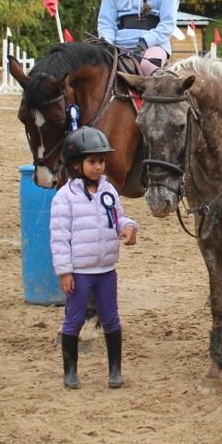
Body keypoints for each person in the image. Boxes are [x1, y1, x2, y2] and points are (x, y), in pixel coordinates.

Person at [50, 126, 139, 389]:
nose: (99, 167)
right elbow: (59, 237)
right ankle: (70, 371)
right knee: (74, 319)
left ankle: (115, 370)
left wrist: (129, 226)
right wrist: (65, 271)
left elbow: (119, 216)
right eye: (92, 162)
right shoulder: (64, 198)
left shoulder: (108, 191)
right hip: (79, 271)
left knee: (111, 318)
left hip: (106, 270)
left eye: (101, 161)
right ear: (76, 165)